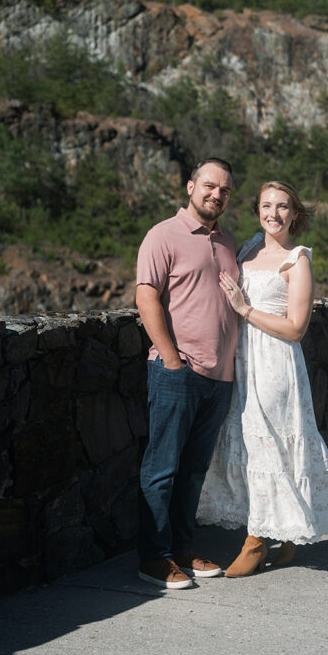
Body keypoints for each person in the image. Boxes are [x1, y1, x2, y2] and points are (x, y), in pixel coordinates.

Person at [197, 180, 328, 576]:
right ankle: (286, 537)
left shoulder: (297, 260)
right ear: (257, 211)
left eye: (283, 207)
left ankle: (256, 540)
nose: (274, 213)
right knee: (253, 444)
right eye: (267, 205)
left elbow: (296, 328)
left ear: (295, 214)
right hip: (242, 357)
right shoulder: (249, 247)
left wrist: (244, 309)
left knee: (266, 442)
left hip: (274, 363)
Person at [135, 157, 239, 589]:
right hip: (179, 373)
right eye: (210, 186)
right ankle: (154, 558)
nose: (217, 194)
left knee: (194, 471)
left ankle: (181, 549)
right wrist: (172, 360)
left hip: (219, 379)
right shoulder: (164, 235)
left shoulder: (229, 242)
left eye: (225, 190)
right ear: (191, 187)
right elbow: (146, 298)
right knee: (162, 469)